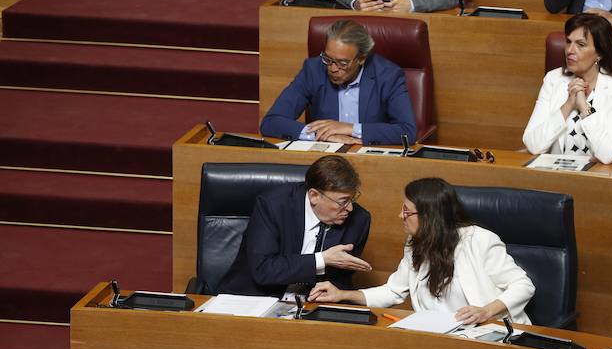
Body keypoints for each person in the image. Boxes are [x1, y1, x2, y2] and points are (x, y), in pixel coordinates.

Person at [308, 178, 535, 325]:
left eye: (407, 212)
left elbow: (523, 286)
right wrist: (342, 295)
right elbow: (393, 291)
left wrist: (486, 311)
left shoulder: (479, 240)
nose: (400, 216)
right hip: (440, 336)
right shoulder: (415, 243)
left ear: (430, 217)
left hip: (486, 332)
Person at [217, 155, 372, 297]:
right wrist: (321, 260)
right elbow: (263, 270)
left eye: (352, 199)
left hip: (311, 304)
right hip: (255, 296)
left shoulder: (359, 220)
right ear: (314, 196)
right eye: (343, 201)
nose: (349, 208)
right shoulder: (273, 206)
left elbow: (341, 278)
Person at [260, 19, 416, 145]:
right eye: (328, 59)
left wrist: (351, 129)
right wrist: (320, 135)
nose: (333, 69)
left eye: (342, 63)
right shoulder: (313, 70)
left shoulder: (388, 76)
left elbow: (406, 131)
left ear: (361, 58)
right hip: (324, 157)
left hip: (368, 157)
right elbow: (271, 122)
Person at [523, 13, 612, 164]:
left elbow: (609, 155)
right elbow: (533, 144)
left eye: (581, 45)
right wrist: (568, 105)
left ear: (600, 53)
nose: (570, 50)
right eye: (568, 42)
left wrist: (584, 107)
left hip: (608, 178)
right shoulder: (553, 80)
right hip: (559, 175)